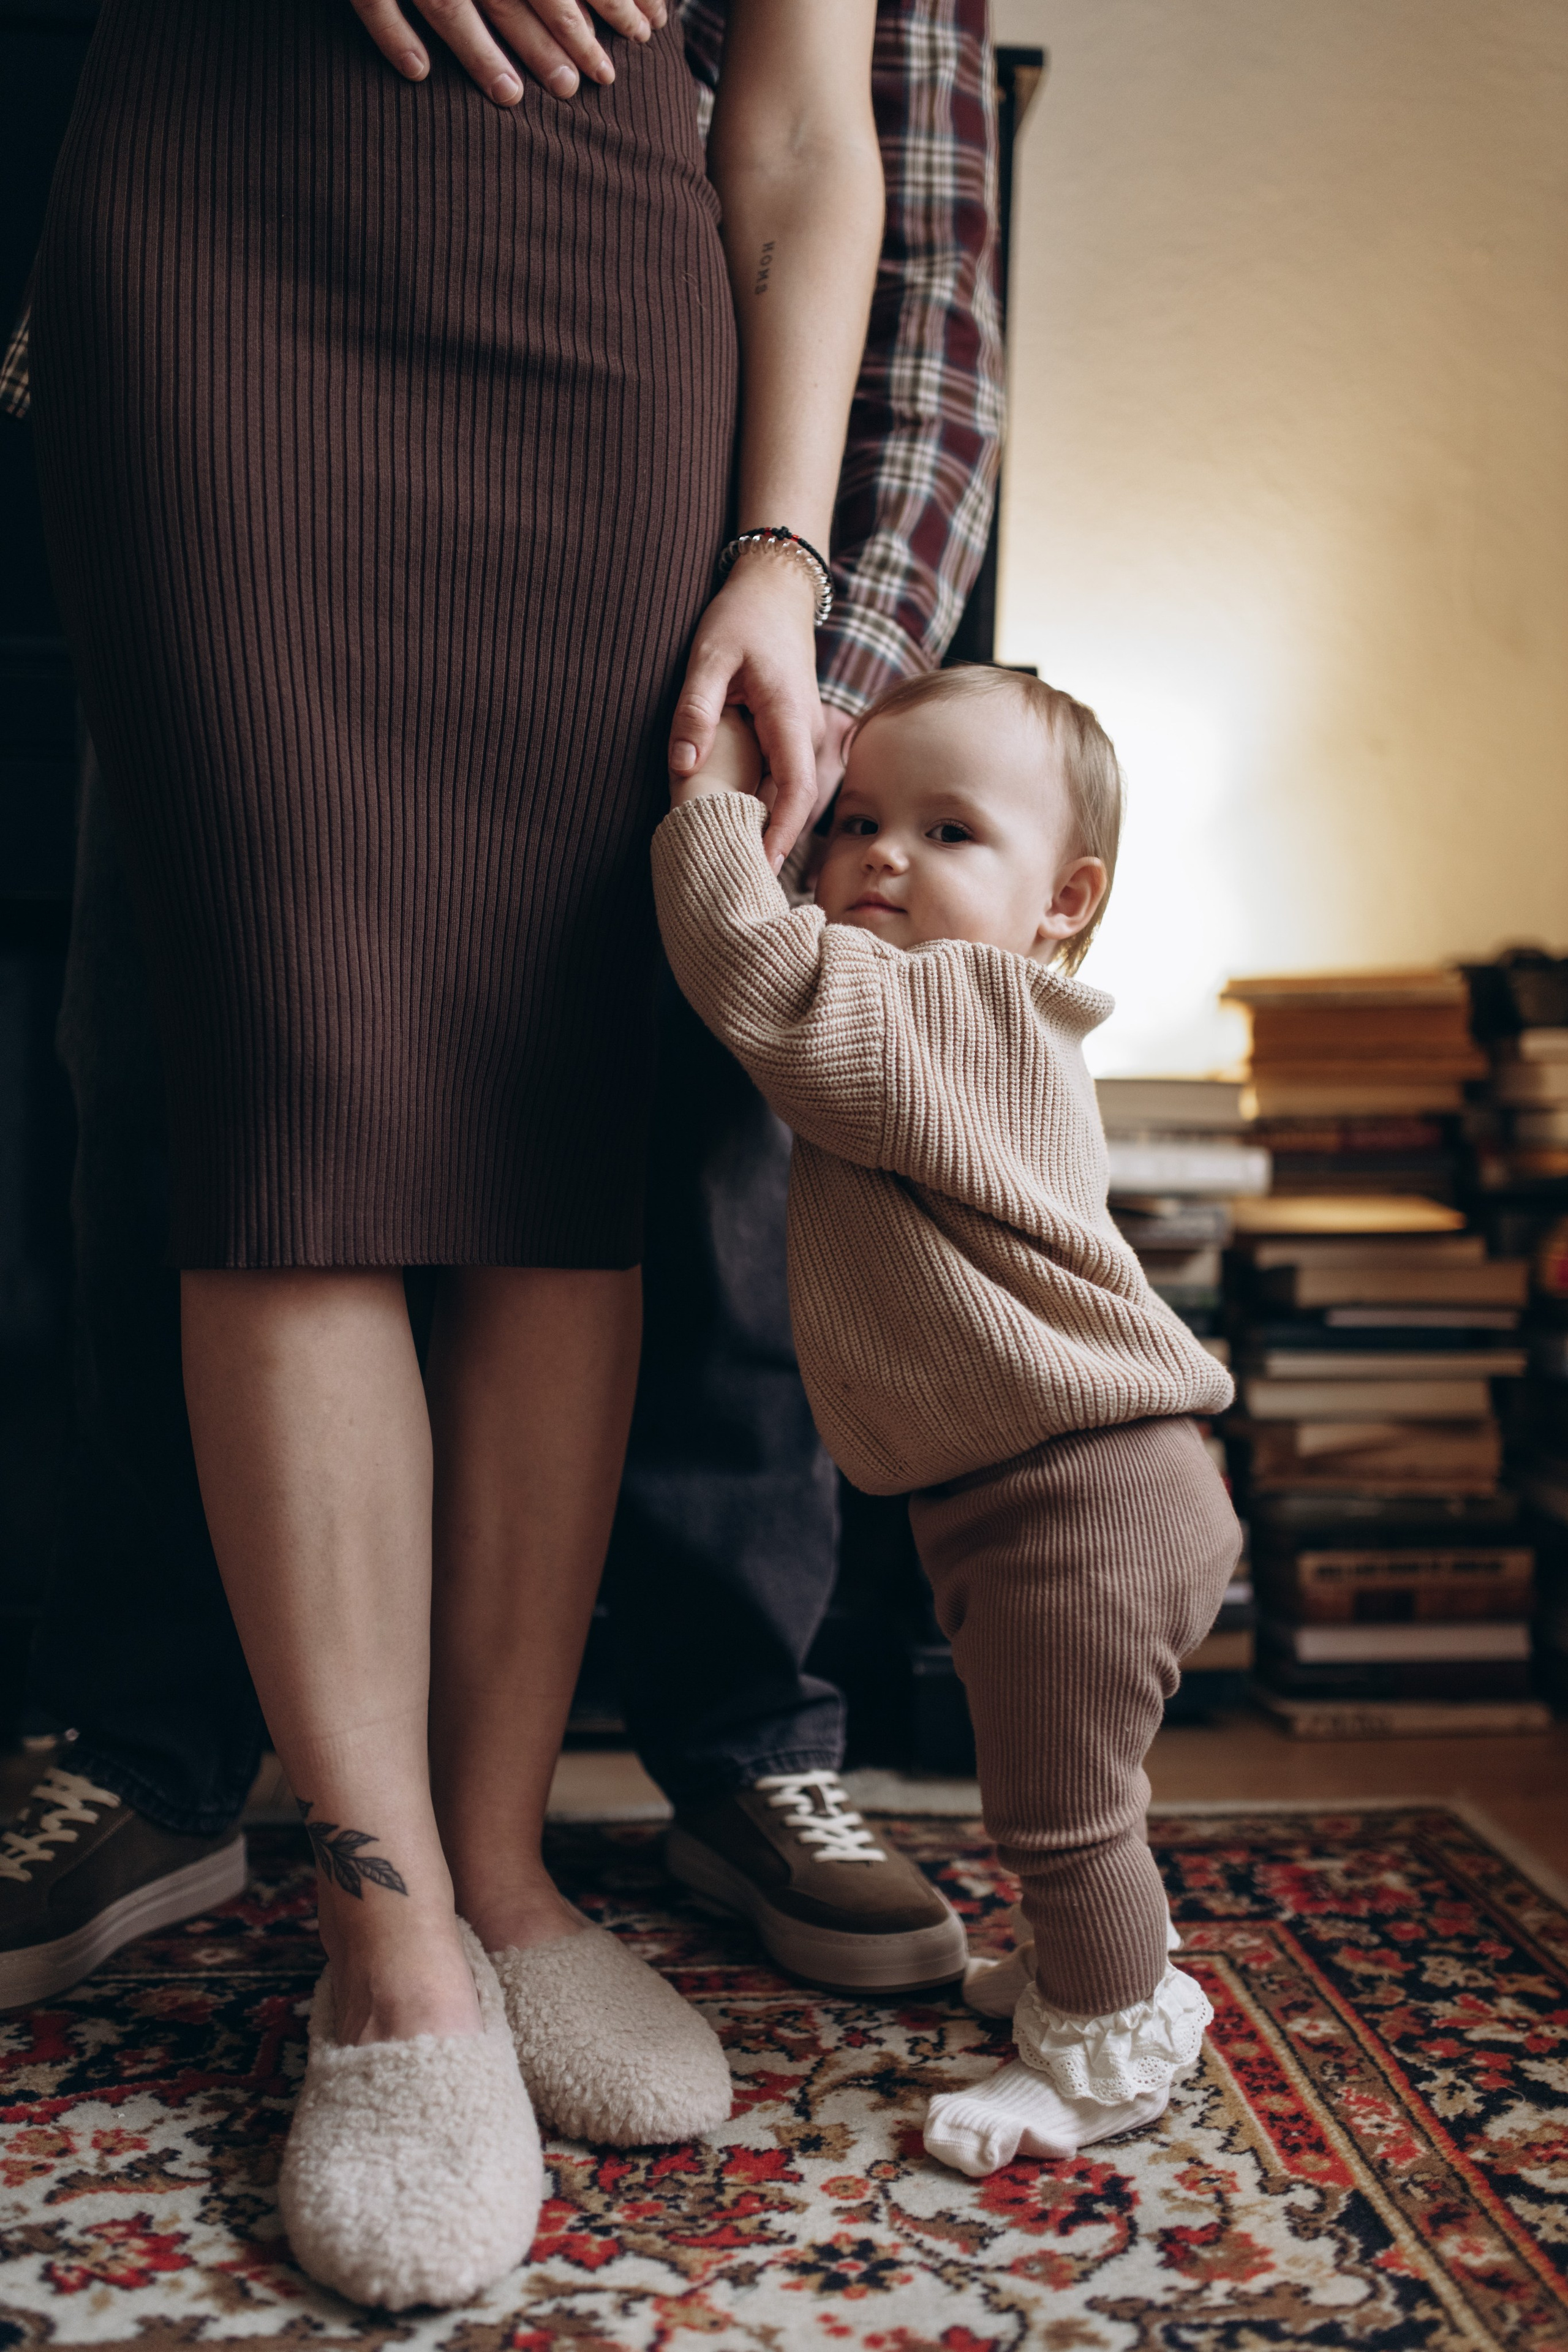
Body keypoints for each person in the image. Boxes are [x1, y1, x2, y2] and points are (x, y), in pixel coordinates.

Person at [0, 0, 1001, 2016]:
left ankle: (502, 1882)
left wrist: (787, 563)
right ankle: (389, 1949)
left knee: (567, 1127)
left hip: (603, 308)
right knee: (281, 1110)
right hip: (222, 233)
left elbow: (813, 129)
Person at [650, 671, 1242, 2180]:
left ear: (1063, 899)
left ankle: (1105, 2047)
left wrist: (719, 800)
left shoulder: (957, 1004)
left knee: (1062, 1810)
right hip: (1050, 1481)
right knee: (1061, 1777)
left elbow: (755, 974)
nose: (881, 856)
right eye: (852, 820)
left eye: (949, 829)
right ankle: (1095, 1972)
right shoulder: (957, 1010)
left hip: (1080, 1492)